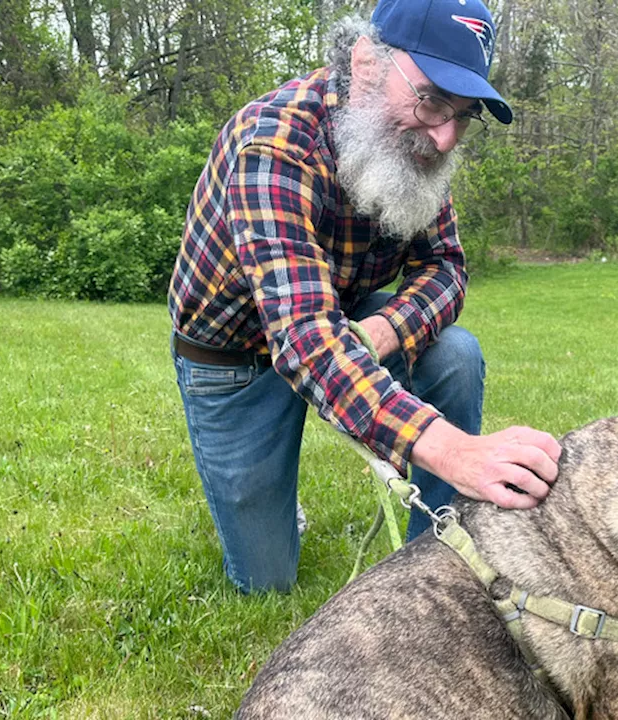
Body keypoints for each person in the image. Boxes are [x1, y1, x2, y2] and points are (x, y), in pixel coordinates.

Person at [168, 0, 562, 594]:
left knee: (454, 353)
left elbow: (446, 265)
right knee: (265, 582)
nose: (445, 135)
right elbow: (305, 339)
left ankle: (436, 564)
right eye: (431, 100)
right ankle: (273, 506)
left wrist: (386, 331)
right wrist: (453, 451)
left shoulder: (417, 149)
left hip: (345, 323)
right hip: (236, 357)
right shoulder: (272, 145)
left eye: (464, 115)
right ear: (366, 63)